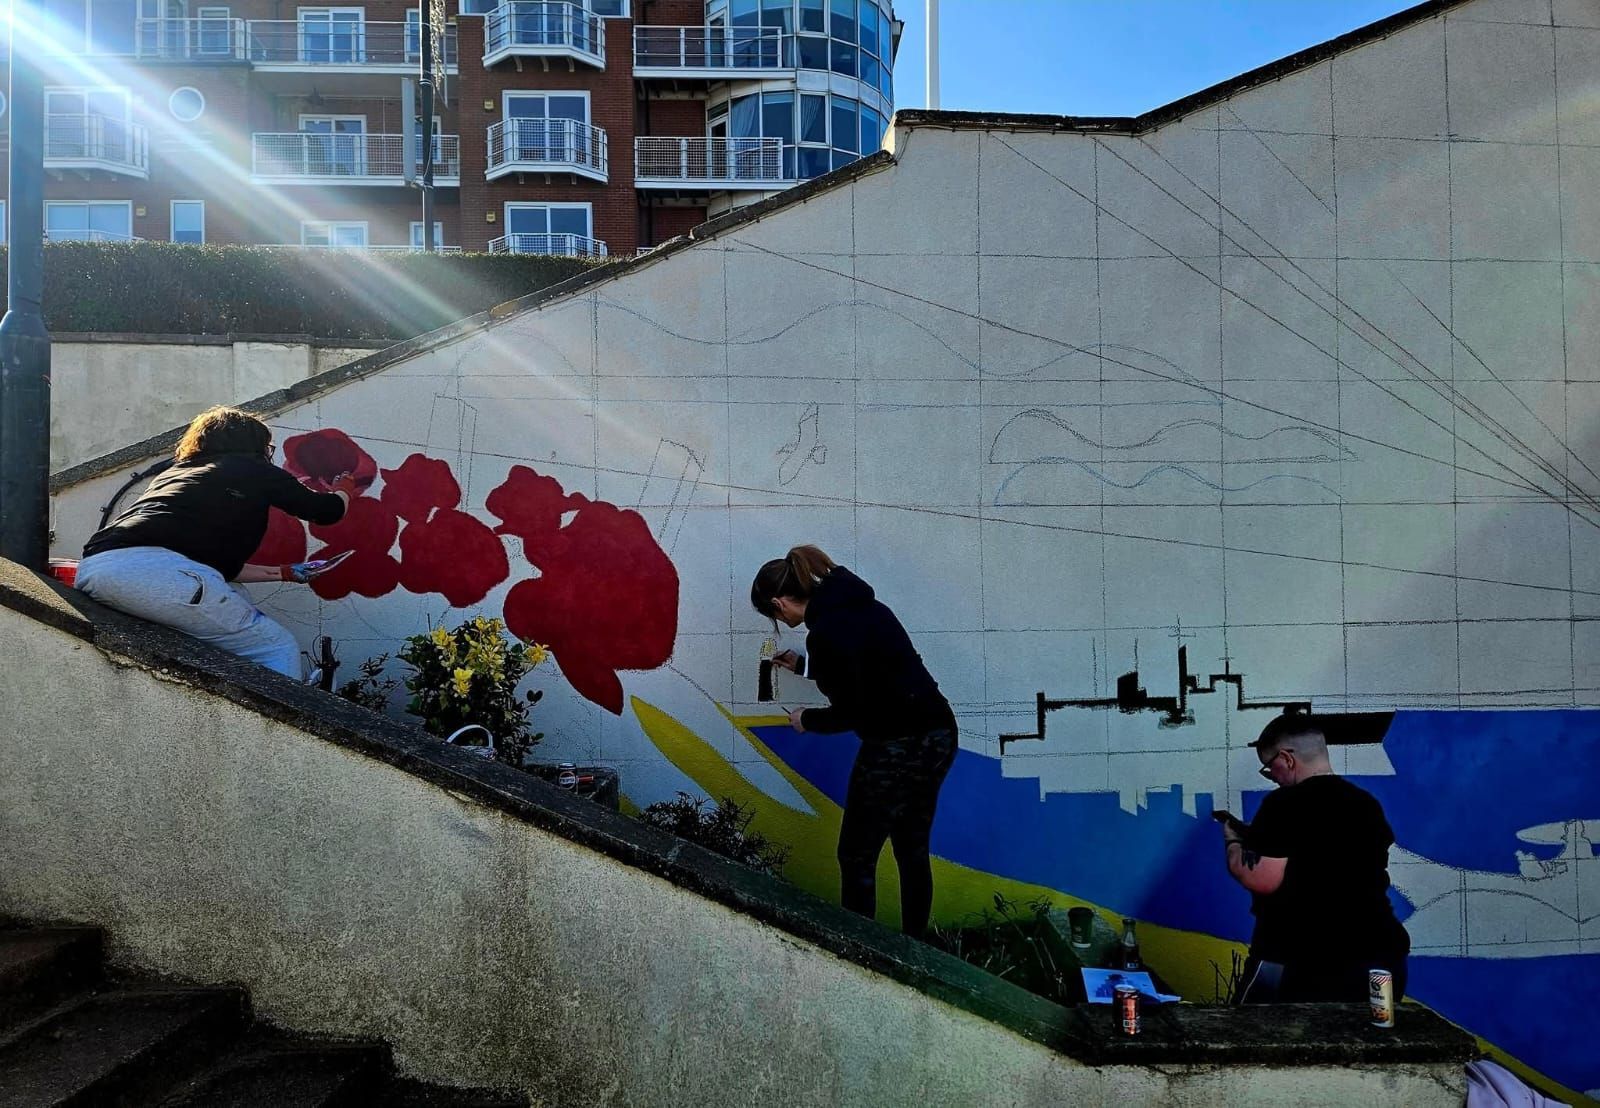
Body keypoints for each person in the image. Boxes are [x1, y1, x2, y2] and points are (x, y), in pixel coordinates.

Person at [750, 545, 957, 937]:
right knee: (911, 849)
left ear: (779, 603)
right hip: (938, 732)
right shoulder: (857, 603)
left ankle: (862, 955)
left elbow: (854, 710)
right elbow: (868, 670)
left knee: (856, 855)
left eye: (775, 615)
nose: (782, 621)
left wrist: (806, 719)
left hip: (896, 743)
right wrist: (806, 666)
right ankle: (920, 953)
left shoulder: (826, 632)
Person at [76, 406, 361, 678]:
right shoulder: (250, 468)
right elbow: (326, 511)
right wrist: (345, 490)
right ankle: (276, 728)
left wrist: (285, 572)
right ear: (255, 446)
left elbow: (210, 564)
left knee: (231, 601)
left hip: (96, 570)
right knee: (275, 647)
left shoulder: (175, 475)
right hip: (155, 573)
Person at [1217, 713, 1410, 1004]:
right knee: (1369, 1044)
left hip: (1302, 959)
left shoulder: (1283, 804)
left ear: (1286, 759)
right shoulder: (1366, 804)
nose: (1273, 777)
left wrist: (1233, 839)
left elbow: (1262, 878)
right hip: (1377, 955)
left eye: (1269, 769)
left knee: (1262, 1044)